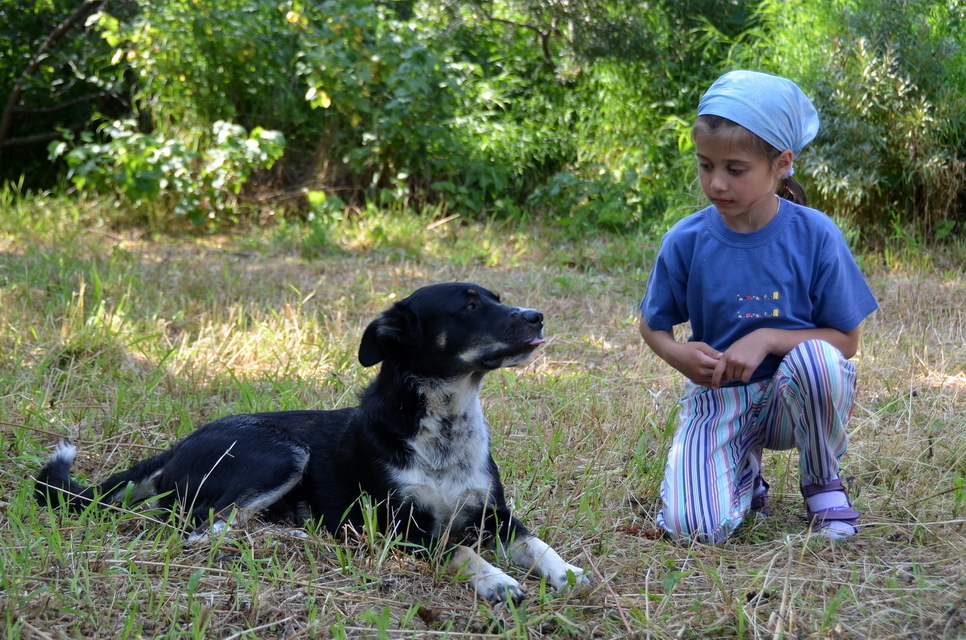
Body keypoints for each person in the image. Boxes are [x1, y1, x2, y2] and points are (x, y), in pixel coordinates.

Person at [638, 70, 878, 543]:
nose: (716, 183)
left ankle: (822, 481)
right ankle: (744, 475)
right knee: (695, 529)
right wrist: (676, 354)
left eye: (735, 169)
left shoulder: (815, 234)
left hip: (796, 399)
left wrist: (766, 337)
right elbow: (653, 324)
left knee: (819, 361)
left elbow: (846, 342)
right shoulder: (686, 239)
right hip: (721, 397)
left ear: (781, 164)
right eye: (705, 165)